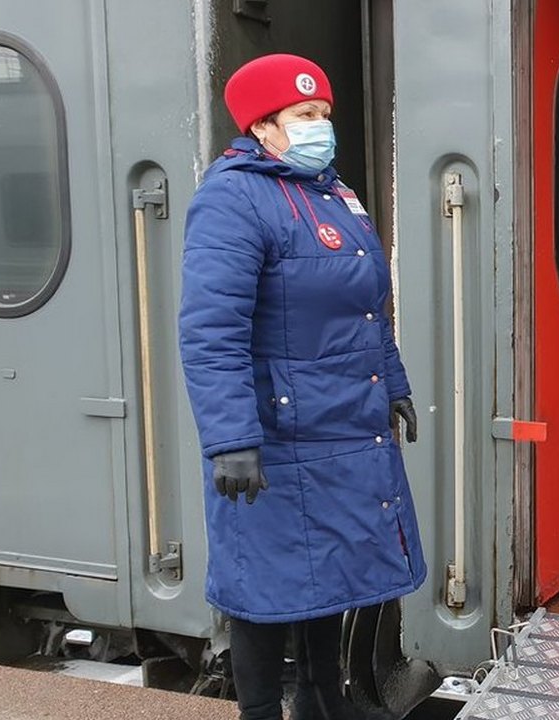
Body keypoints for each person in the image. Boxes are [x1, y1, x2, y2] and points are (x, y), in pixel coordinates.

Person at [178, 54, 427, 720]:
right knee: (266, 589)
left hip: (345, 423)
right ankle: (261, 712)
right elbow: (211, 331)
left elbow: (369, 309)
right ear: (263, 126)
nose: (321, 126)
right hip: (278, 438)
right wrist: (231, 438)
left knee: (331, 576)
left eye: (323, 114)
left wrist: (393, 382)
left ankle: (324, 702)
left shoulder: (333, 195)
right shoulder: (233, 197)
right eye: (303, 115)